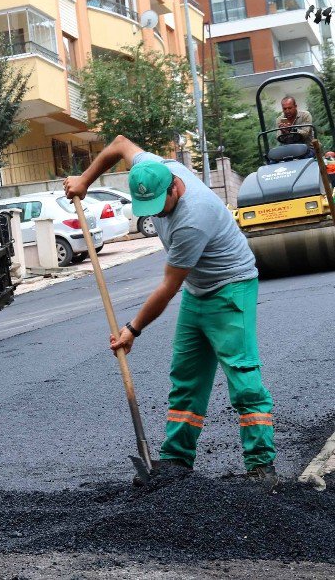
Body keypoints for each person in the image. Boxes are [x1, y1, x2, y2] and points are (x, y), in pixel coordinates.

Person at [64, 135, 278, 491]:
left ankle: (261, 466)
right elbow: (118, 144)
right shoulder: (152, 168)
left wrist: (132, 329)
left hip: (231, 287)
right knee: (186, 377)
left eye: (160, 205)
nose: (157, 214)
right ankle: (177, 460)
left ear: (176, 186)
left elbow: (167, 287)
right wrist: (85, 180)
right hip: (199, 288)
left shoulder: (194, 217)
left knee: (242, 377)